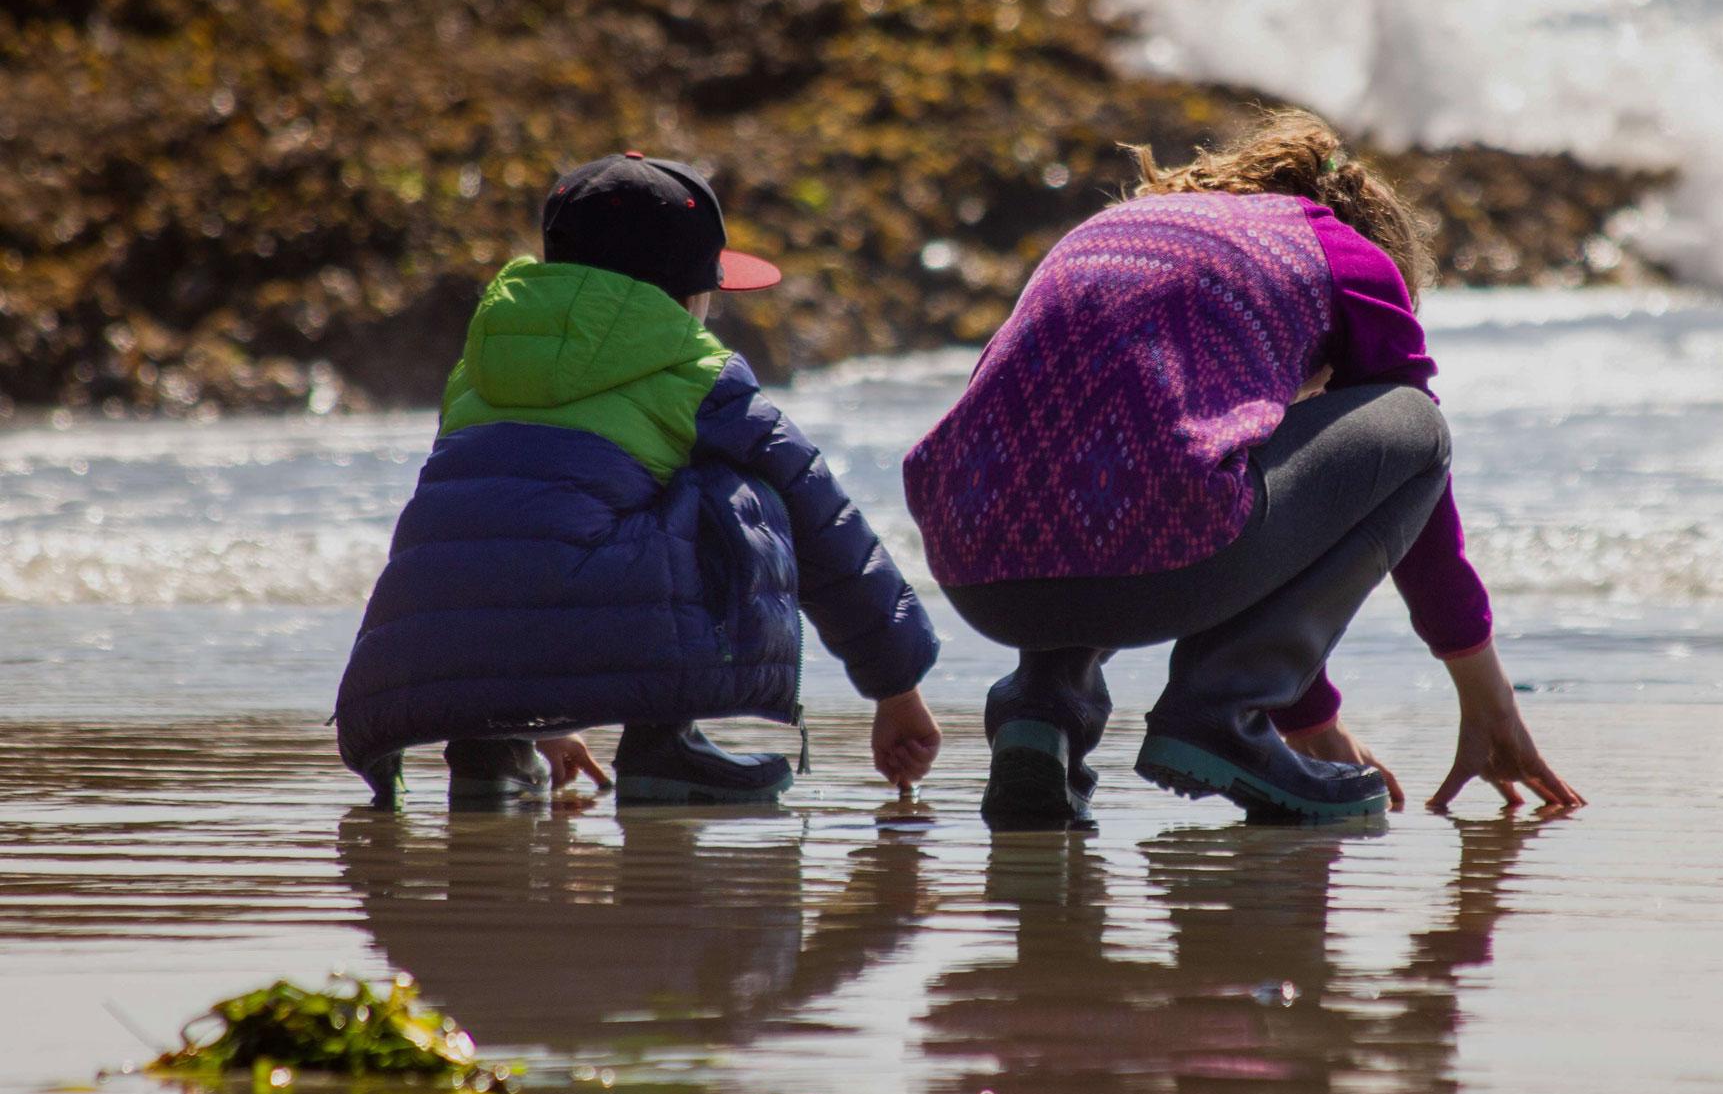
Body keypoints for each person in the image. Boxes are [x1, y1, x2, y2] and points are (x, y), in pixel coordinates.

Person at [902, 111, 1581, 826]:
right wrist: (1486, 696)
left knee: (1104, 450)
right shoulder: (1344, 254)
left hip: (971, 560)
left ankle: (1040, 714)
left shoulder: (1116, 229)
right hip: (1151, 551)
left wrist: (1313, 722)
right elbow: (1416, 487)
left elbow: (1064, 439)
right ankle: (1221, 711)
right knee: (1417, 430)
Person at [334, 152, 941, 809]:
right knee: (750, 489)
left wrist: (542, 717)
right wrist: (896, 684)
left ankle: (490, 751)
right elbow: (824, 519)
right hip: (602, 637)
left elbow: (511, 548)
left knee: (487, 500)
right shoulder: (695, 371)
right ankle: (664, 745)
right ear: (685, 294)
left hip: (432, 652)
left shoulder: (481, 362)